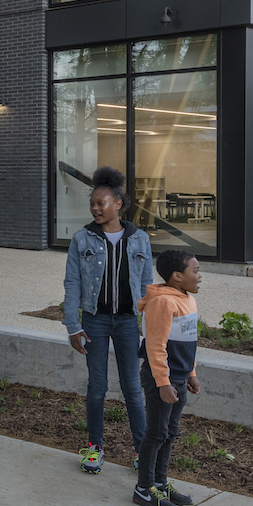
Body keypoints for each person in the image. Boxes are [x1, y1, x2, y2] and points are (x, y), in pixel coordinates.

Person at [62, 165, 154, 474]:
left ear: (118, 204)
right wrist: (73, 326)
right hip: (95, 321)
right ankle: (94, 447)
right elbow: (72, 283)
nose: (95, 208)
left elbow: (146, 286)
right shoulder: (82, 239)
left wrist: (148, 325)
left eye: (101, 203)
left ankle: (143, 451)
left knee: (132, 387)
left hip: (128, 322)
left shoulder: (140, 239)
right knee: (97, 386)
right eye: (92, 204)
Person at [134, 248, 203, 506]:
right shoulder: (163, 302)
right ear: (176, 276)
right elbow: (155, 346)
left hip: (179, 377)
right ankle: (144, 488)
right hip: (161, 379)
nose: (200, 277)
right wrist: (163, 383)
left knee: (170, 432)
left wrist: (192, 374)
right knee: (157, 432)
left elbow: (189, 342)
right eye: (195, 271)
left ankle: (160, 483)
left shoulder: (187, 299)